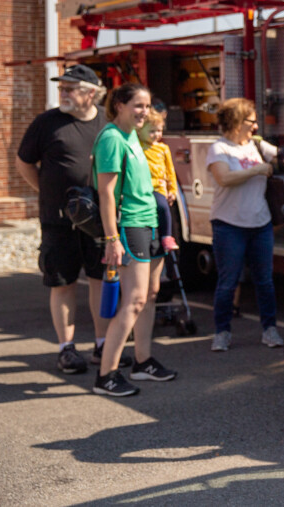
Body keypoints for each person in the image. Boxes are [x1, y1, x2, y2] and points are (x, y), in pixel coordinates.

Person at [16, 64, 132, 374]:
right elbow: (24, 163)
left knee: (99, 279)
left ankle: (102, 343)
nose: (62, 93)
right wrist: (48, 190)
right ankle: (66, 349)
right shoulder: (47, 123)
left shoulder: (108, 125)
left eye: (70, 88)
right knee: (63, 283)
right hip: (58, 220)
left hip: (97, 220)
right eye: (61, 88)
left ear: (91, 93)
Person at [93, 82, 178, 396]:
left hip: (150, 223)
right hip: (130, 226)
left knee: (151, 294)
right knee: (134, 301)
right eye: (138, 106)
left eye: (147, 106)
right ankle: (107, 376)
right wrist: (112, 238)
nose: (144, 112)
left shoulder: (132, 136)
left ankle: (143, 363)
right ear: (119, 105)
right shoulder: (112, 138)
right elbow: (105, 193)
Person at [206, 98, 284, 352]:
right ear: (237, 122)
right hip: (228, 225)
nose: (255, 126)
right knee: (228, 282)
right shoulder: (219, 149)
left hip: (260, 223)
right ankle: (222, 332)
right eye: (251, 121)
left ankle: (270, 330)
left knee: (265, 281)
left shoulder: (257, 145)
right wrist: (258, 170)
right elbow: (224, 178)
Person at [136, 108, 179, 251]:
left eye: (159, 131)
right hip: (141, 187)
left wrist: (172, 190)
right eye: (152, 131)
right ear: (139, 131)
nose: (156, 135)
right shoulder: (138, 146)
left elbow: (170, 171)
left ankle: (167, 236)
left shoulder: (163, 148)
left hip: (158, 187)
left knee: (163, 207)